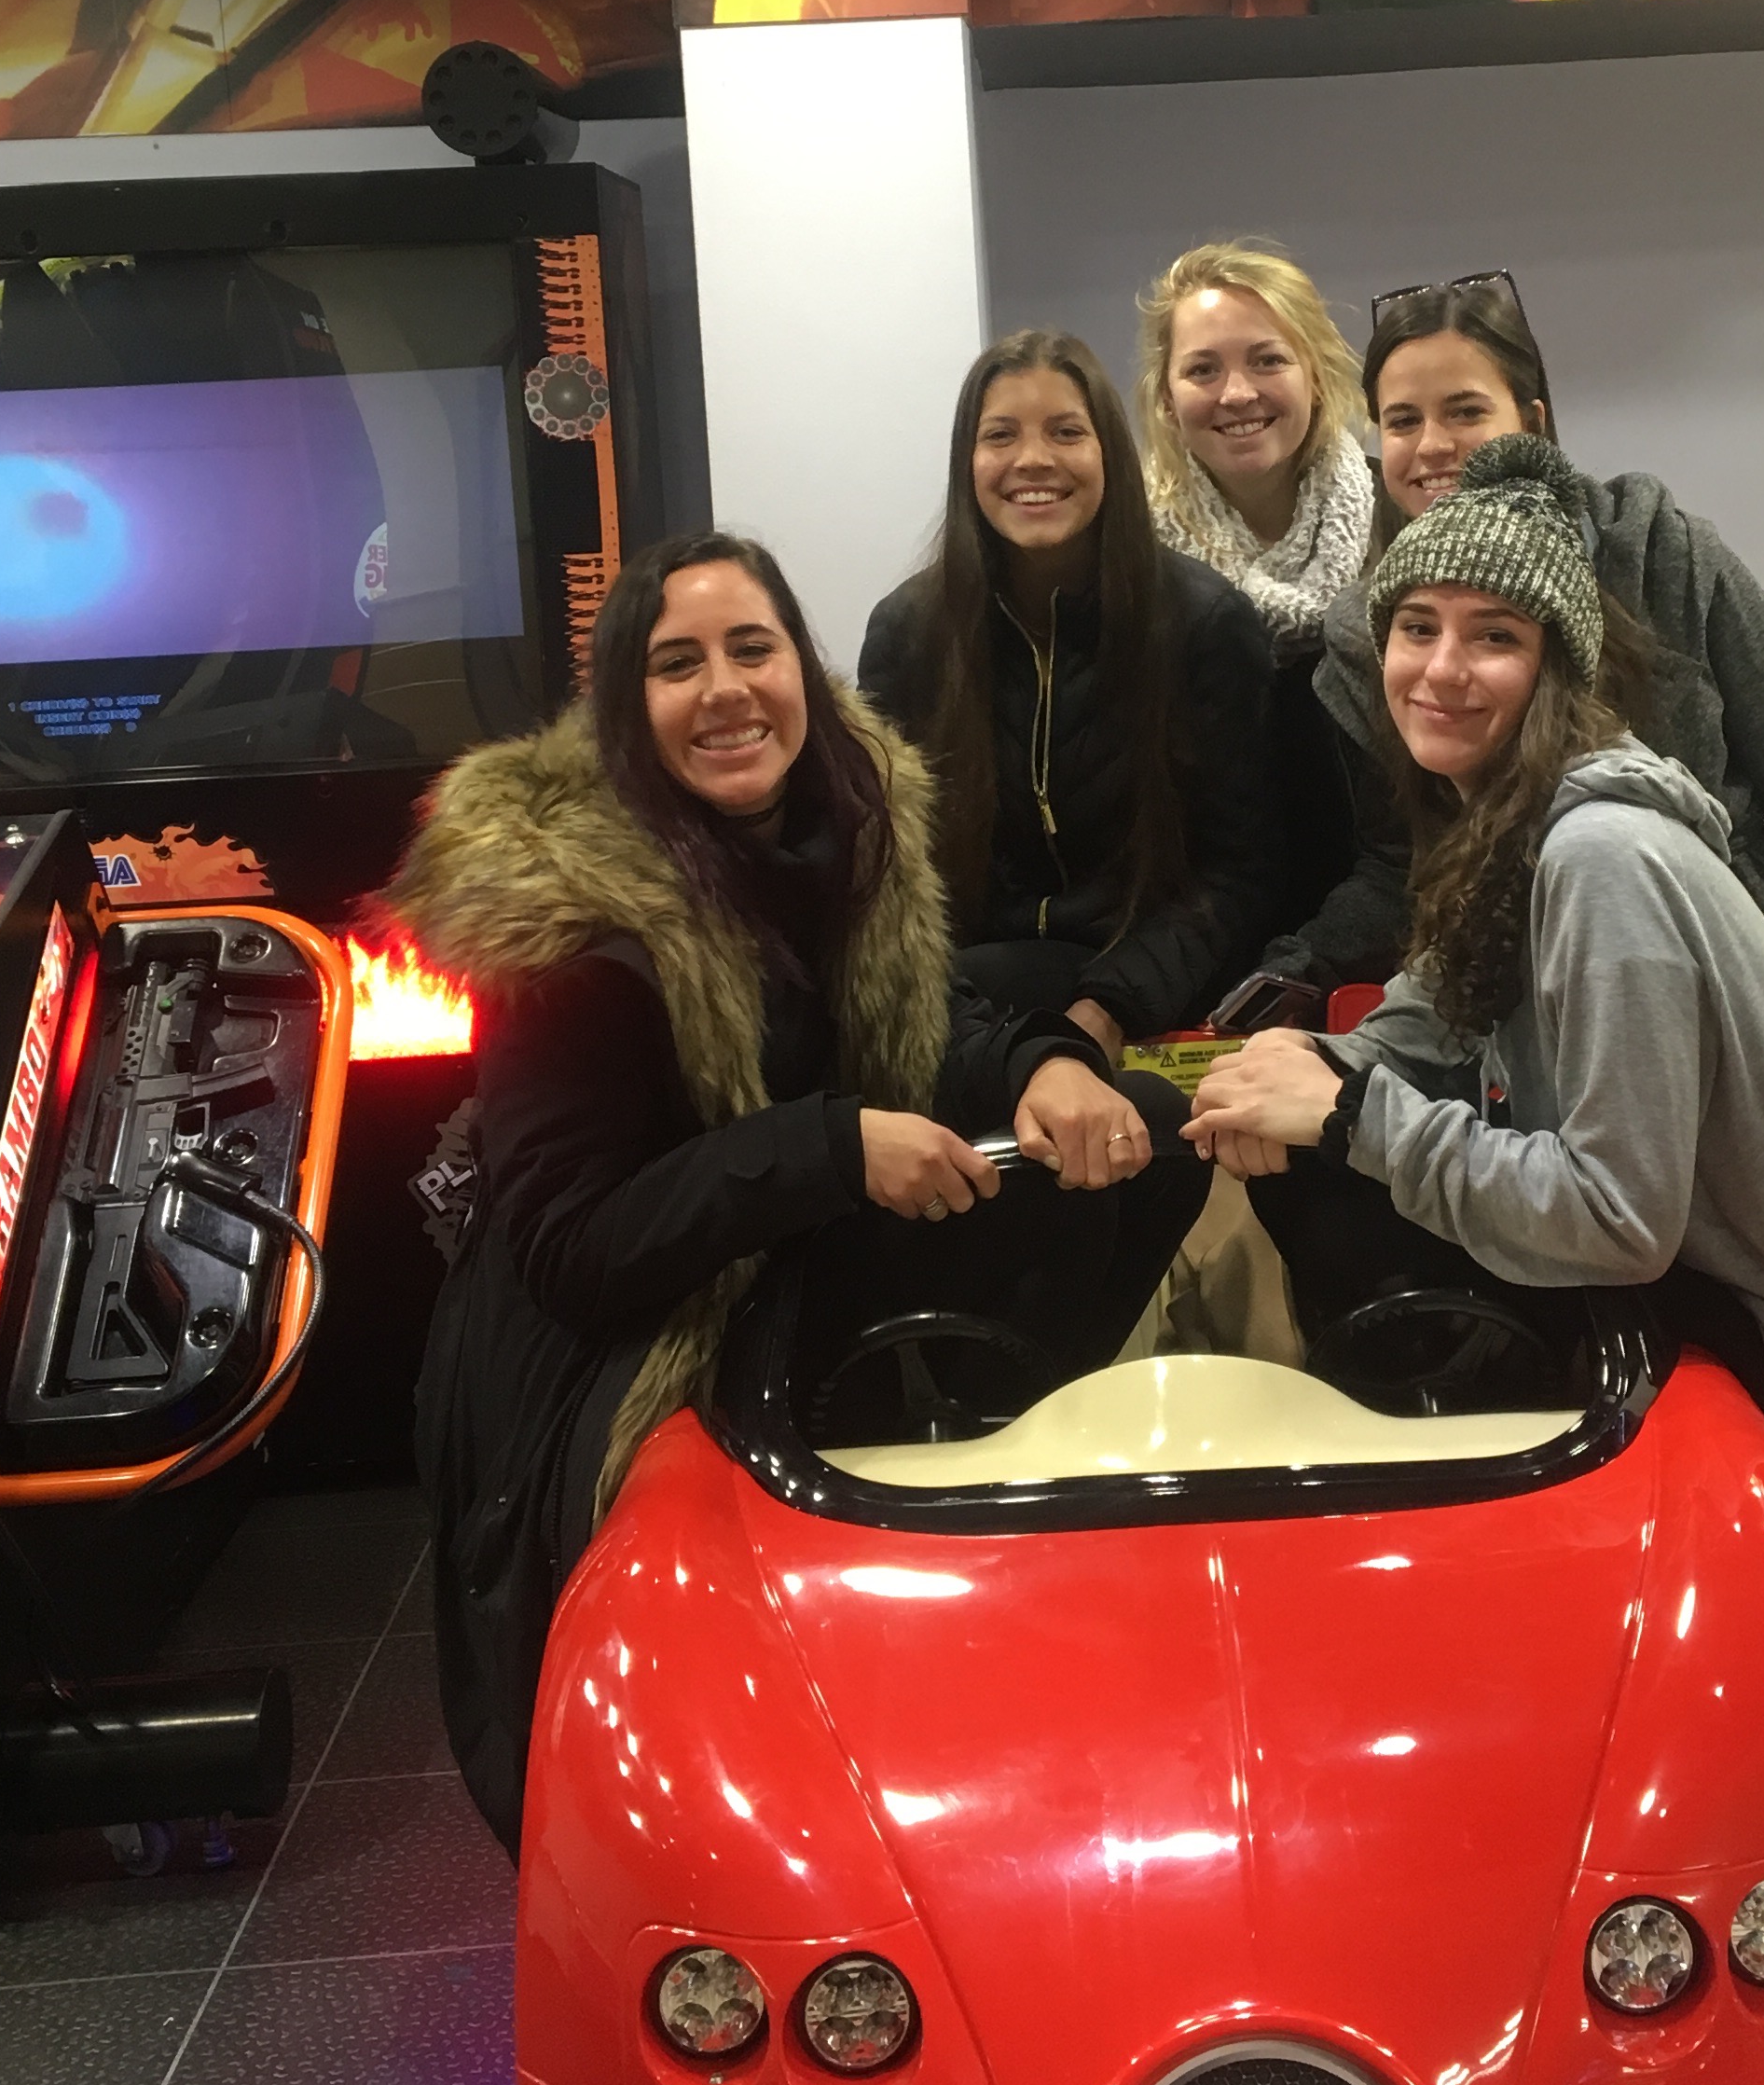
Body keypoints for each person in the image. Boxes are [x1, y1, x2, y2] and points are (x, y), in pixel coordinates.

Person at [391, 529, 1208, 1847]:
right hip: (615, 1335)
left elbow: (920, 1023)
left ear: (802, 671)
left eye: (751, 648)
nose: (724, 690)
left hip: (781, 1238)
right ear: (627, 708)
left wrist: (1049, 1066)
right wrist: (830, 1150)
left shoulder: (841, 819)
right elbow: (575, 1250)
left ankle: (975, 1511)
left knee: (1143, 1139)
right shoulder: (571, 929)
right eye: (677, 664)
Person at [1187, 435, 1764, 1548]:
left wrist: (1348, 1113)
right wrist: (1300, 1066)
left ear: (1557, 670)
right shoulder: (1511, 825)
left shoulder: (1603, 861)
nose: (1442, 669)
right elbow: (1418, 1019)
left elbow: (1616, 1222)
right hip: (1706, 1289)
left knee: (1349, 1186)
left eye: (1494, 636)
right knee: (1329, 1174)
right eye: (1417, 627)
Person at [1315, 271, 1764, 1159]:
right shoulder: (1372, 637)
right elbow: (1413, 867)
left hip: (1748, 994)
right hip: (1543, 1035)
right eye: (1401, 420)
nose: (1433, 447)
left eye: (1465, 411)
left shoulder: (1665, 554)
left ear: (1532, 421)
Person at [859, 329, 1280, 1055]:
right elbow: (892, 871)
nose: (1033, 459)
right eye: (1001, 435)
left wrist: (1112, 1005)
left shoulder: (1205, 623)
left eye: (1065, 432)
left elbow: (1242, 874)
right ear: (967, 462)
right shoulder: (908, 633)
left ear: (1108, 452)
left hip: (1156, 999)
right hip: (971, 1006)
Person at [1135, 238, 1396, 1003]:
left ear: (1315, 371)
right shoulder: (1130, 568)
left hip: (1389, 950)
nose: (1238, 393)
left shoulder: (1402, 526)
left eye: (1267, 360)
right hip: (1190, 962)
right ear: (1166, 399)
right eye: (1203, 370)